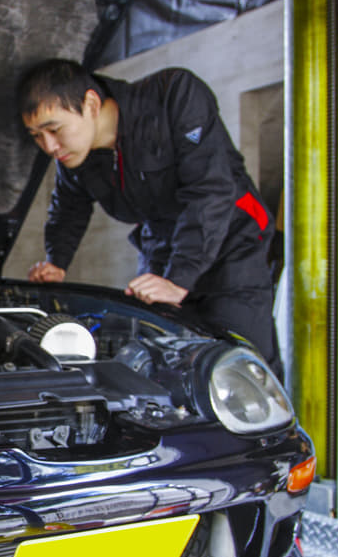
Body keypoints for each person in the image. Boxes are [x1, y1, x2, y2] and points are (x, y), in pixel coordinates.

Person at [18, 58, 280, 373]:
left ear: (90, 102)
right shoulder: (75, 156)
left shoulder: (174, 96)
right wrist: (56, 263)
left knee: (243, 362)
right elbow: (68, 207)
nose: (49, 145)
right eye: (36, 136)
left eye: (54, 129)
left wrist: (177, 279)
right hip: (163, 247)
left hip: (232, 240)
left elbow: (210, 190)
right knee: (163, 360)